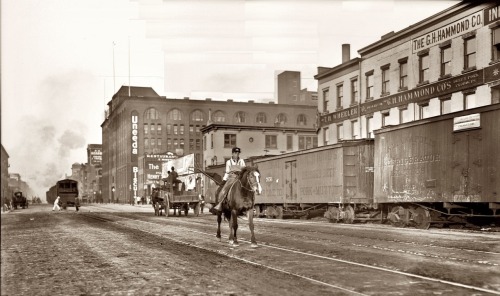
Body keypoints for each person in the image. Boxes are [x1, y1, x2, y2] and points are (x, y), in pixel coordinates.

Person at [211, 147, 246, 213]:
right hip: (230, 178)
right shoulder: (228, 162)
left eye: (238, 153)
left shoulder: (242, 161)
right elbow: (228, 171)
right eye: (235, 153)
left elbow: (244, 169)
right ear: (232, 154)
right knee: (221, 189)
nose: (237, 154)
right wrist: (238, 169)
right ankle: (220, 203)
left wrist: (235, 169)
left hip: (239, 178)